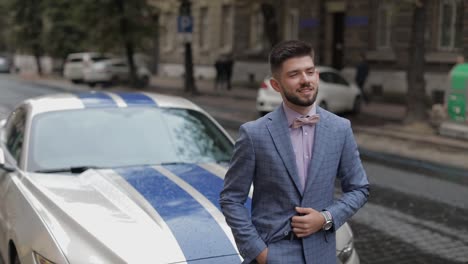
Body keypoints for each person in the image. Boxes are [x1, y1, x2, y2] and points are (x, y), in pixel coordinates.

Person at [220, 40, 369, 264]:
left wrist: (326, 218)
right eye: (294, 74)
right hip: (273, 254)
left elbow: (359, 188)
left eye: (310, 72)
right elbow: (231, 199)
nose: (305, 80)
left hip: (323, 255)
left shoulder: (340, 128)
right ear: (276, 85)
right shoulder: (254, 134)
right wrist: (259, 252)